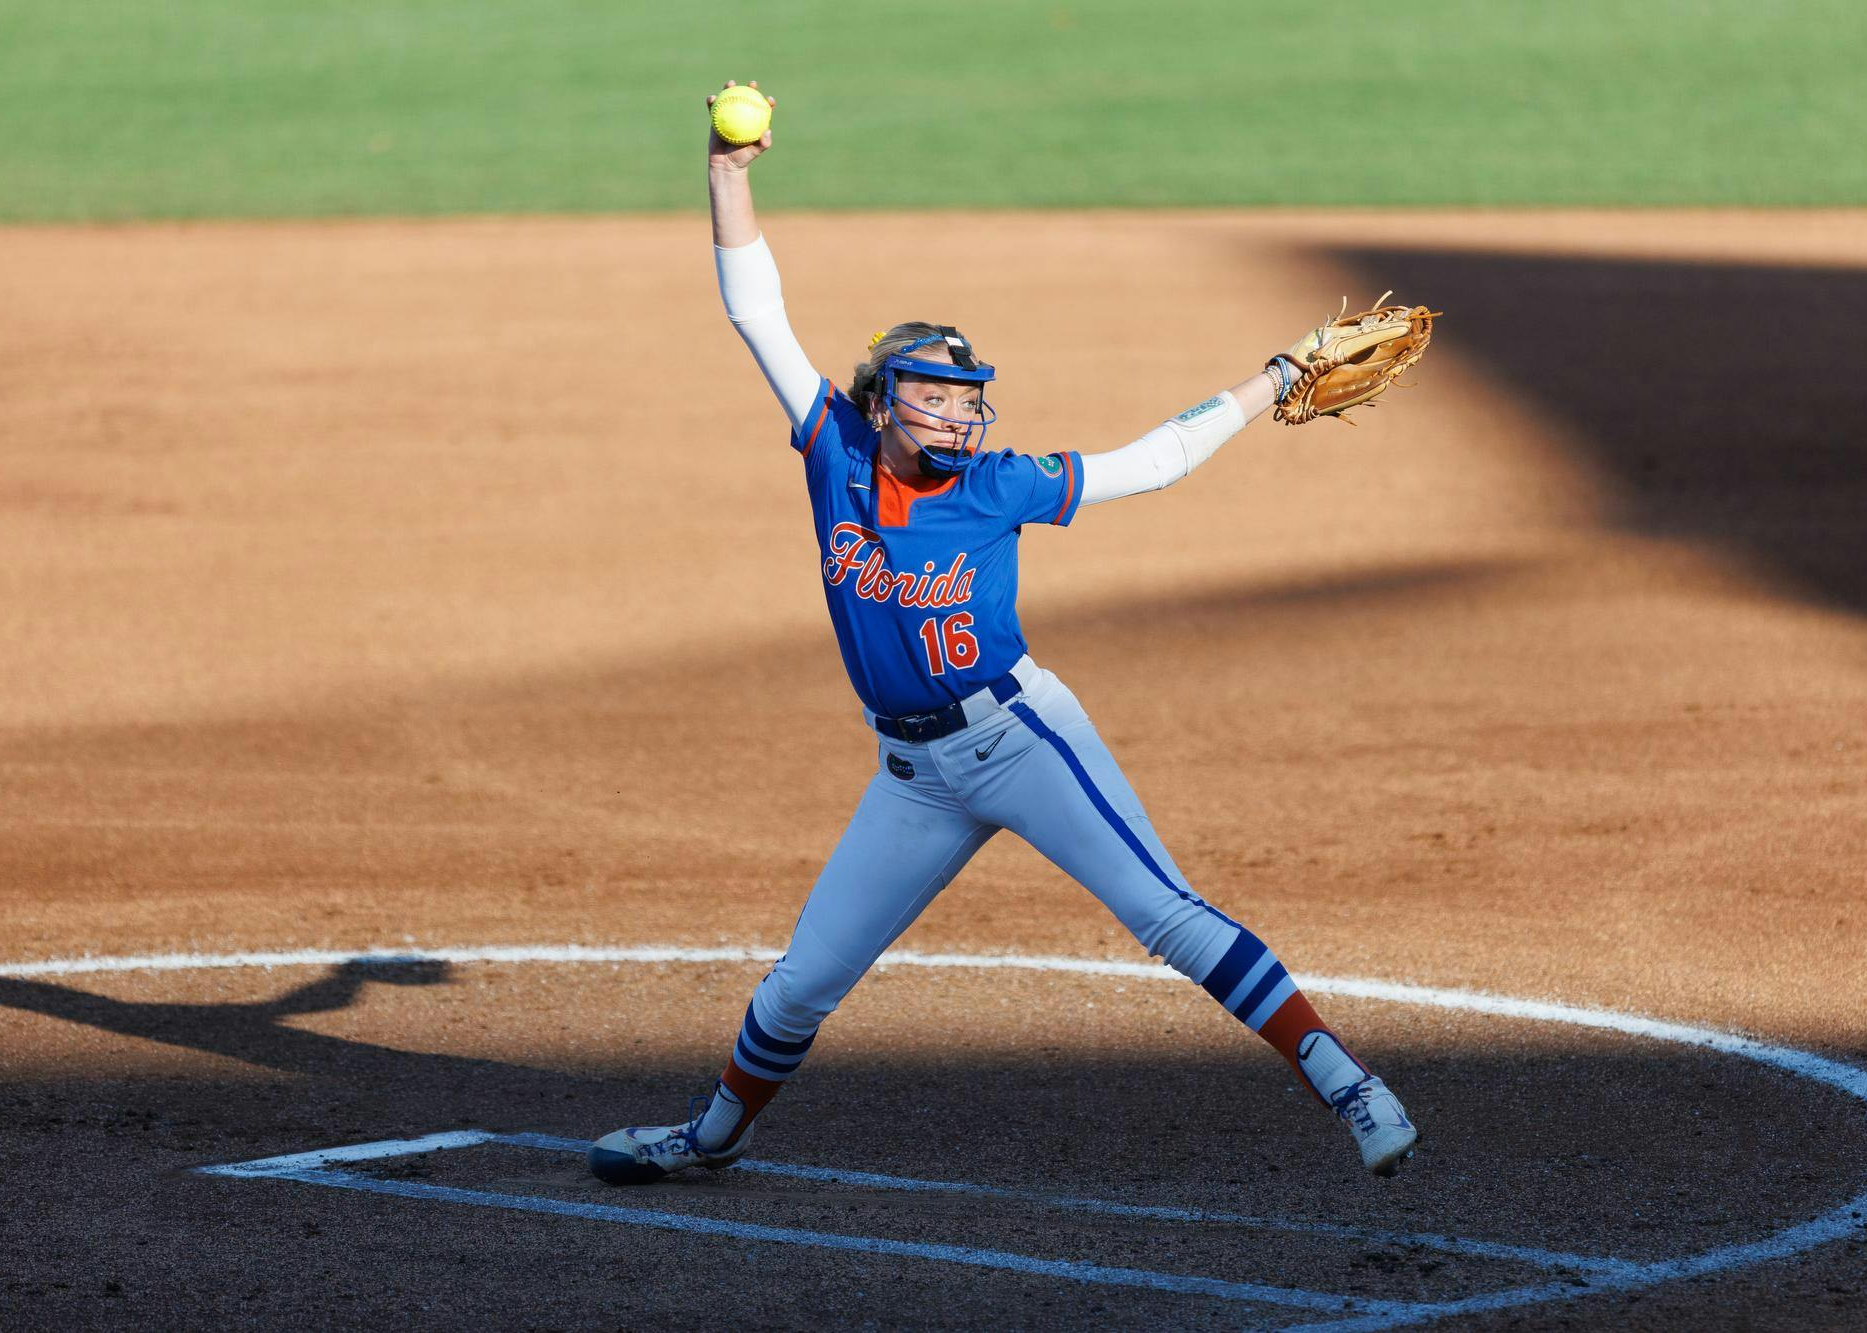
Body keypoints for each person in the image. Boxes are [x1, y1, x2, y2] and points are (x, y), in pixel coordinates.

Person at [589, 81, 1419, 1186]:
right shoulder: (831, 447)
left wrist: (1266, 384)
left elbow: (1150, 460)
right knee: (800, 984)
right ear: (881, 401)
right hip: (910, 775)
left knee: (1162, 915)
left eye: (966, 398)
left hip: (1021, 737)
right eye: (933, 397)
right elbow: (755, 314)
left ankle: (1348, 1083)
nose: (958, 414)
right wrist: (726, 171)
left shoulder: (997, 484)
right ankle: (710, 1140)